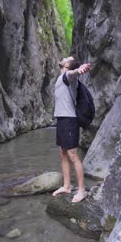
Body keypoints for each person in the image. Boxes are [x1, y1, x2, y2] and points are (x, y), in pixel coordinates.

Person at [52, 56, 91, 203]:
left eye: (67, 58)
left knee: (72, 155)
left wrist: (78, 70)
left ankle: (82, 191)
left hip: (70, 120)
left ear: (68, 65)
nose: (63, 58)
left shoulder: (69, 76)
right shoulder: (61, 77)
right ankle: (67, 186)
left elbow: (73, 74)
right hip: (61, 119)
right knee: (63, 152)